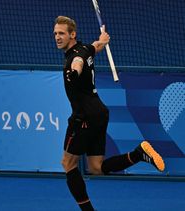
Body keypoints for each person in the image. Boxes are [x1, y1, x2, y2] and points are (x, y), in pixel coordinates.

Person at [53, 16, 165, 211]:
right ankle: (138, 154)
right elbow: (96, 46)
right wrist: (103, 39)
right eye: (55, 33)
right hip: (99, 112)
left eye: (61, 33)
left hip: (84, 118)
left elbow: (77, 64)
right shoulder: (85, 48)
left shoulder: (75, 57)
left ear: (73, 34)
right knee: (96, 168)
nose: (57, 37)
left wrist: (75, 72)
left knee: (68, 164)